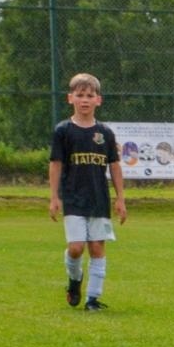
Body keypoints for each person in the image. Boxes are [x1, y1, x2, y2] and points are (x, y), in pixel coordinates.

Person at [48, 72, 127, 310]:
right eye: (80, 95)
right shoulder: (63, 131)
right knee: (76, 247)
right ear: (70, 98)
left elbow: (114, 166)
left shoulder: (105, 133)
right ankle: (74, 280)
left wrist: (121, 198)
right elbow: (55, 164)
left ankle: (93, 299)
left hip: (99, 199)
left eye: (89, 95)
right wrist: (54, 197)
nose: (85, 100)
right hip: (73, 198)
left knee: (96, 248)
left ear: (98, 100)